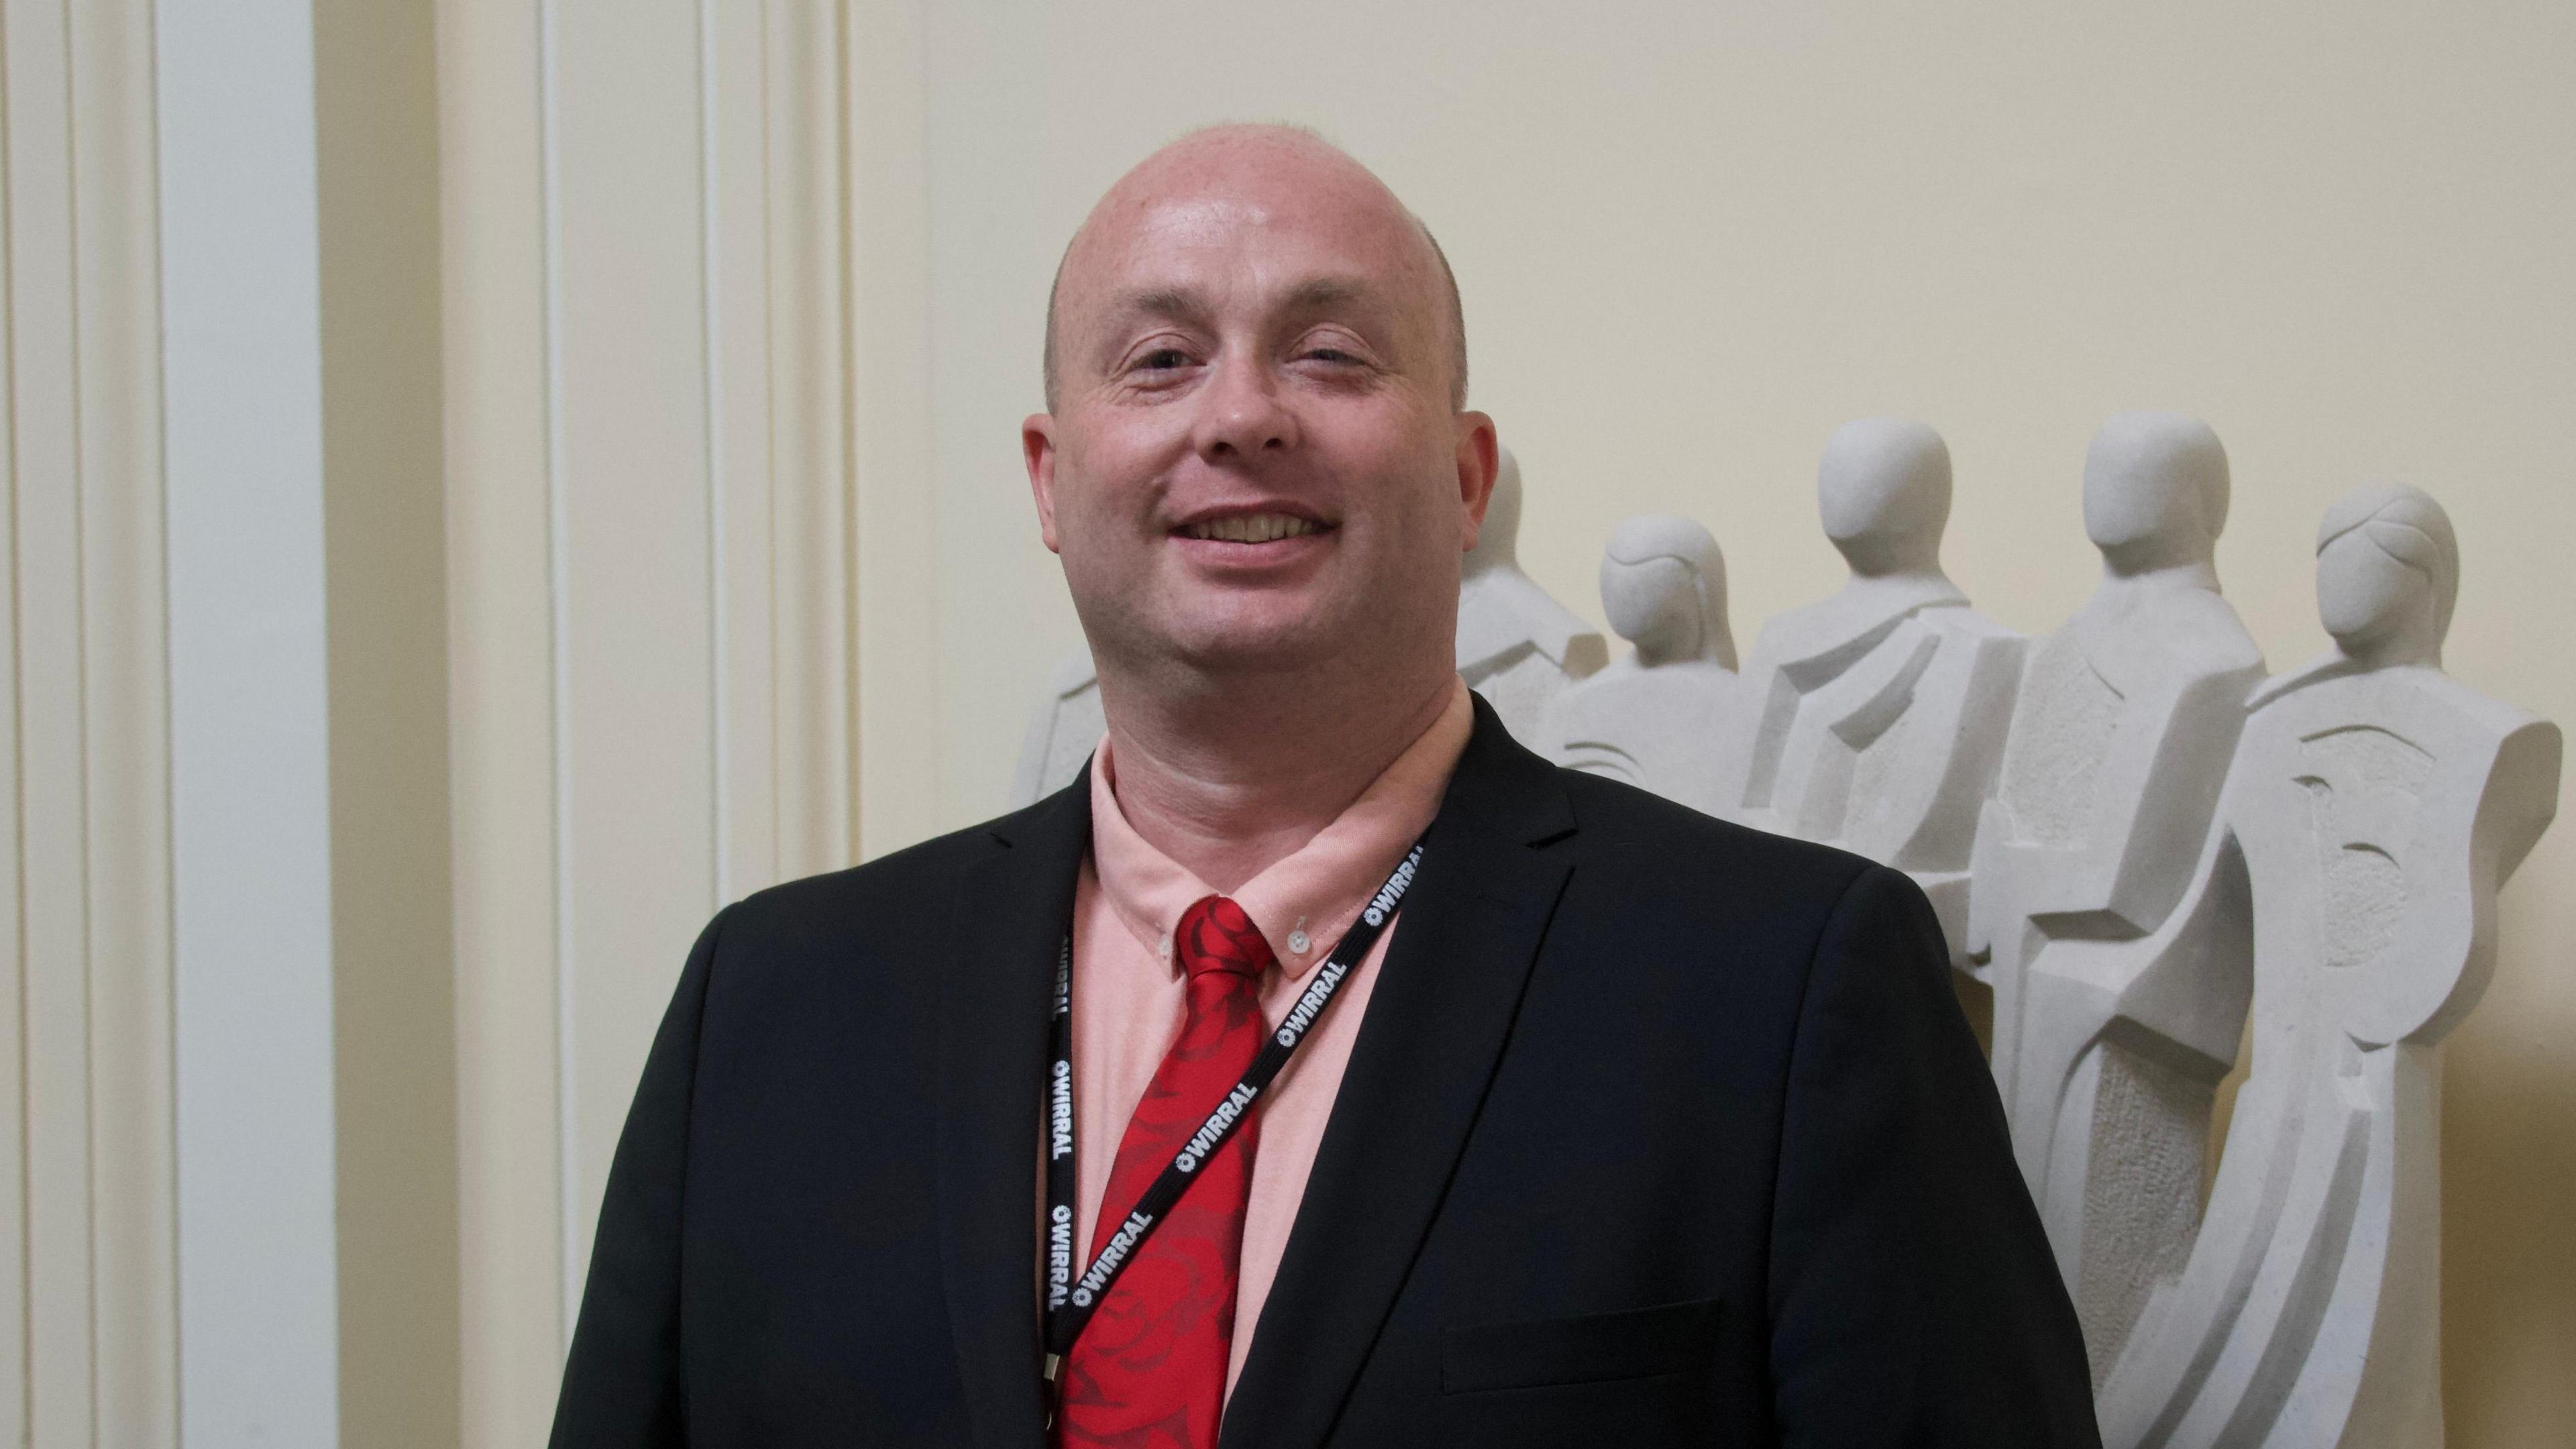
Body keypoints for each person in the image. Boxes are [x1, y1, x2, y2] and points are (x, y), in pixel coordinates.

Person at [549, 123, 2098, 1449]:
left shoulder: (1785, 993)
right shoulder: (766, 1011)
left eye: (1332, 355)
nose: (1241, 418)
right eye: (1159, 361)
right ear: (1047, 473)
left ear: (1468, 473)